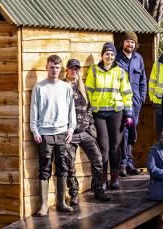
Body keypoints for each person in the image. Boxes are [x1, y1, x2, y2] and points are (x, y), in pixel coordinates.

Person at [30, 55, 76, 216]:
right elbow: (34, 111)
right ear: (46, 67)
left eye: (57, 67)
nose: (54, 70)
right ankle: (44, 206)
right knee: (45, 169)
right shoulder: (39, 88)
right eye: (52, 67)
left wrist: (71, 129)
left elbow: (72, 110)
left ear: (60, 68)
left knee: (63, 168)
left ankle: (61, 202)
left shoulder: (66, 87)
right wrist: (35, 130)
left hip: (63, 133)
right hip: (45, 134)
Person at [85, 42, 133, 190]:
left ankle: (114, 178)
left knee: (115, 147)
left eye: (112, 54)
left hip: (116, 113)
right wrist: (91, 109)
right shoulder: (94, 70)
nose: (109, 56)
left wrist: (129, 113)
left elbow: (126, 93)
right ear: (102, 55)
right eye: (107, 54)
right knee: (104, 147)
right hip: (99, 113)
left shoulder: (120, 72)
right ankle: (103, 180)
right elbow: (88, 91)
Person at [63, 59, 110, 204]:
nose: (75, 71)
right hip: (70, 133)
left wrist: (90, 126)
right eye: (72, 68)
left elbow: (89, 108)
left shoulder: (83, 87)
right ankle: (74, 194)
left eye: (77, 69)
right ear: (67, 70)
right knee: (69, 164)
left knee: (97, 160)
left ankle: (98, 190)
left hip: (85, 131)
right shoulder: (63, 87)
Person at [116, 31, 146, 177]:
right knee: (123, 132)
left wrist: (141, 97)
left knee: (132, 132)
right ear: (123, 43)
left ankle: (129, 163)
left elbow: (142, 80)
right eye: (128, 41)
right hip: (120, 101)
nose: (130, 44)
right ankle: (123, 164)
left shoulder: (138, 58)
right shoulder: (116, 58)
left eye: (132, 42)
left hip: (135, 102)